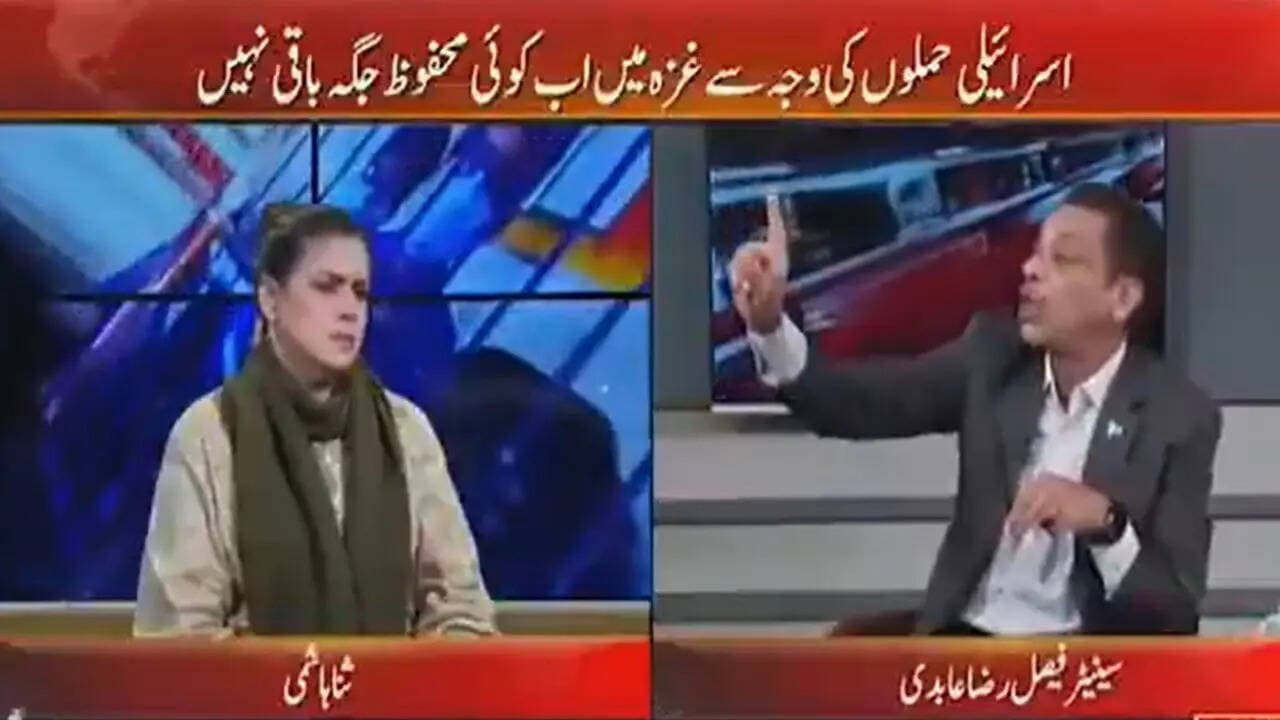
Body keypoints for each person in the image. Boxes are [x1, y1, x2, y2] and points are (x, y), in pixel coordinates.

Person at [731, 183, 1221, 636]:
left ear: (1123, 298)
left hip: (1076, 668)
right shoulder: (993, 357)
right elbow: (861, 402)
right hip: (962, 645)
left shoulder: (1177, 415)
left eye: (1063, 259)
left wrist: (1106, 523)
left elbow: (1175, 611)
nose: (1030, 269)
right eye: (1036, 252)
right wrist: (770, 327)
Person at [134, 203, 496, 637]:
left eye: (359, 293)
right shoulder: (204, 426)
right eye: (327, 288)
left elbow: (458, 605)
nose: (349, 310)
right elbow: (177, 628)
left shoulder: (409, 418)